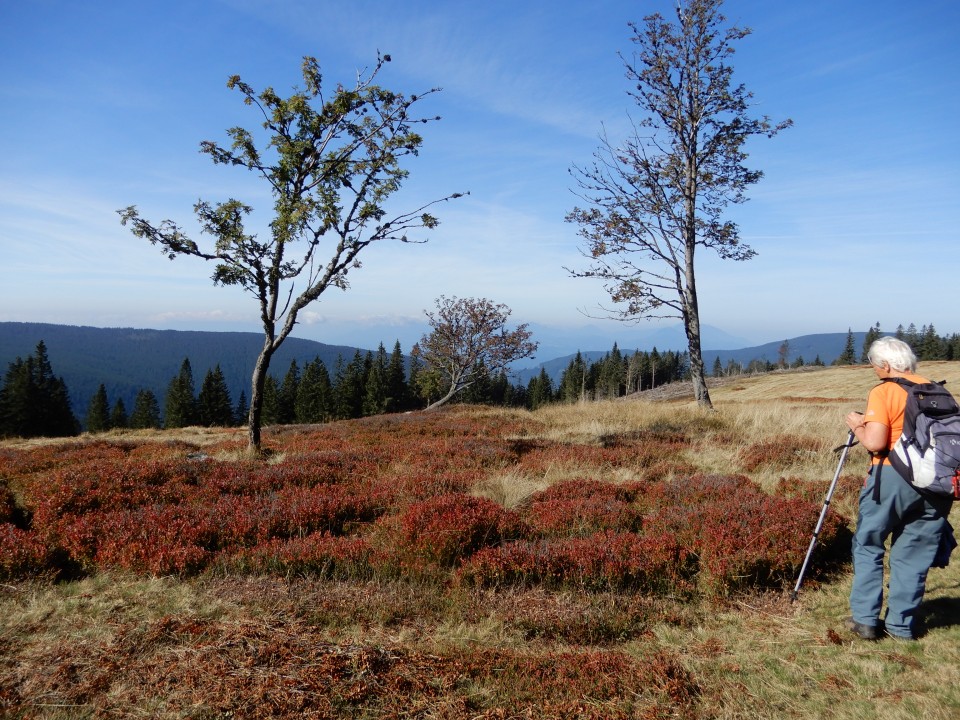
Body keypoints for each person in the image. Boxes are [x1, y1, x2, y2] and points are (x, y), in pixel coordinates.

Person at [843, 336, 953, 641]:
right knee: (914, 554)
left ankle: (865, 619)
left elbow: (877, 442)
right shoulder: (938, 390)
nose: (874, 369)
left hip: (891, 478)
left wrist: (856, 424)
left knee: (869, 543)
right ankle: (901, 626)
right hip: (936, 484)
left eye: (876, 364)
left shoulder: (886, 390)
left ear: (887, 364)